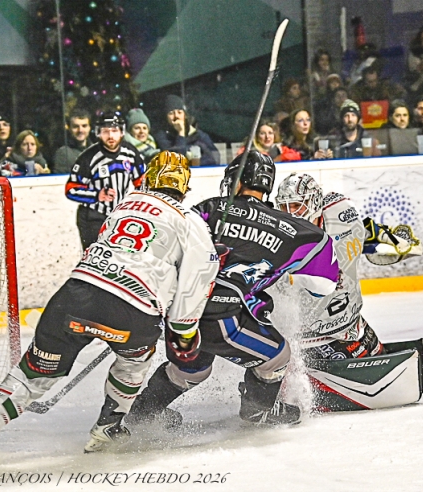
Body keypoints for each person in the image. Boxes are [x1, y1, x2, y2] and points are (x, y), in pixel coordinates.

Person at [0, 152, 220, 464]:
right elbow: (194, 286)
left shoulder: (126, 204)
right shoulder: (192, 223)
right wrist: (183, 332)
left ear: (147, 178)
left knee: (32, 374)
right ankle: (108, 426)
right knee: (133, 362)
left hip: (73, 298)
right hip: (131, 313)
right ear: (185, 188)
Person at [127, 151, 339, 428]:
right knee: (278, 357)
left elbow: (167, 250)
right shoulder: (301, 231)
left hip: (181, 313)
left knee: (191, 370)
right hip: (224, 319)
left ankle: (141, 413)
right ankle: (258, 409)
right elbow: (323, 286)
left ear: (235, 181)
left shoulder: (210, 209)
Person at [275, 173, 423, 411]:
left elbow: (361, 231)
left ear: (315, 204)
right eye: (283, 207)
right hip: (311, 336)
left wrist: (386, 239)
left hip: (352, 322)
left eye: (296, 205)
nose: (290, 213)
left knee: (386, 362)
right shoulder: (279, 236)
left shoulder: (339, 211)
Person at [65, 111, 146, 250]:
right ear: (98, 133)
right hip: (93, 217)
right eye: (105, 131)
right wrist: (97, 195)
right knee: (96, 260)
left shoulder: (131, 152)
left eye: (114, 131)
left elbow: (142, 182)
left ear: (121, 132)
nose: (110, 136)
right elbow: (71, 189)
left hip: (120, 216)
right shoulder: (88, 157)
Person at [154, 95, 218, 165]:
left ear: (185, 115)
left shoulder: (199, 135)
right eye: (171, 113)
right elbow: (174, 162)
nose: (176, 116)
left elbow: (215, 158)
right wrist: (181, 133)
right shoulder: (162, 137)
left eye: (179, 112)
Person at [52, 108, 92, 174]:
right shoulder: (63, 153)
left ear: (89, 128)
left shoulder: (97, 151)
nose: (80, 130)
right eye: (76, 126)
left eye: (84, 126)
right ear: (69, 128)